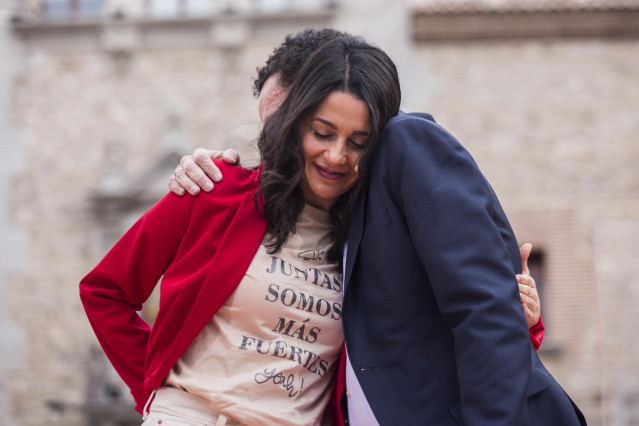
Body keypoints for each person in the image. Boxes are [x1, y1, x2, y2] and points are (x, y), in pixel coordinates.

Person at [170, 30, 586, 425]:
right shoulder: (321, 211)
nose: (277, 147)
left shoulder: (408, 144)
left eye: (289, 123)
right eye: (269, 131)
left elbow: (484, 309)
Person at [80, 34, 402, 425]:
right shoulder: (213, 189)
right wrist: (156, 389)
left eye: (358, 142)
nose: (336, 155)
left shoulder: (374, 237)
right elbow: (104, 291)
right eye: (322, 132)